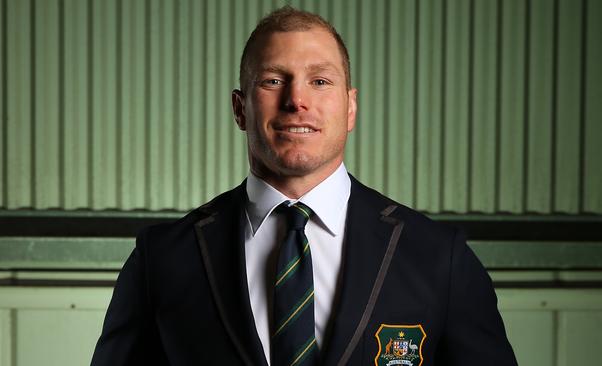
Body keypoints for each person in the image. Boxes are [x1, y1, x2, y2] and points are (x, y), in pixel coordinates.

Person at [91, 6, 517, 366]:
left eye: (320, 81)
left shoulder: (438, 258)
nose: (297, 100)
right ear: (240, 109)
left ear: (350, 108)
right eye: (273, 80)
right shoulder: (163, 259)